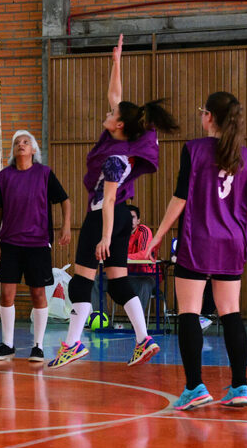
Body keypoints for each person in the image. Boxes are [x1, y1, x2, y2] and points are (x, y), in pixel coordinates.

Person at [49, 35, 178, 370]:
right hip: (123, 216)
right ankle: (143, 339)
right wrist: (116, 62)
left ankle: (72, 344)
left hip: (104, 216)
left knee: (81, 281)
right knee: (118, 282)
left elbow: (106, 201)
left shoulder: (115, 158)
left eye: (111, 113)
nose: (107, 111)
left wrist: (104, 236)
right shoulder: (120, 138)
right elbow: (116, 96)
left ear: (119, 124)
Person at [144, 91, 247, 410]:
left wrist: (158, 235)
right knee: (230, 312)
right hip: (232, 241)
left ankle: (195, 387)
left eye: (201, 111)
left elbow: (180, 198)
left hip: (200, 238)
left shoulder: (194, 150)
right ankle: (240, 386)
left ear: (209, 116)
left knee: (190, 311)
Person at [0, 130, 71, 362]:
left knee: (37, 293)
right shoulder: (4, 177)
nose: (21, 145)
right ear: (13, 151)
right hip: (11, 243)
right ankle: (7, 344)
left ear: (34, 150)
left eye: (26, 142)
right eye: (17, 143)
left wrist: (65, 227)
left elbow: (65, 200)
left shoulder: (44, 174)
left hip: (38, 243)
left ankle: (38, 346)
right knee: (7, 294)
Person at [125, 204, 157, 316]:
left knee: (144, 284)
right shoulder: (118, 232)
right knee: (97, 281)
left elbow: (144, 254)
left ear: (138, 220)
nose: (130, 220)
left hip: (145, 276)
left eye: (132, 217)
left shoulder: (144, 231)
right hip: (125, 277)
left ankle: (138, 325)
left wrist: (125, 257)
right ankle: (102, 322)